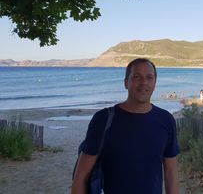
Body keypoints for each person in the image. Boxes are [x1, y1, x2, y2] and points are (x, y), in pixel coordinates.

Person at [72, 58, 180, 194]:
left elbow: (171, 173)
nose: (143, 82)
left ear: (154, 83)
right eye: (136, 77)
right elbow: (81, 175)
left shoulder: (166, 120)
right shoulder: (103, 119)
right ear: (126, 83)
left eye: (149, 77)